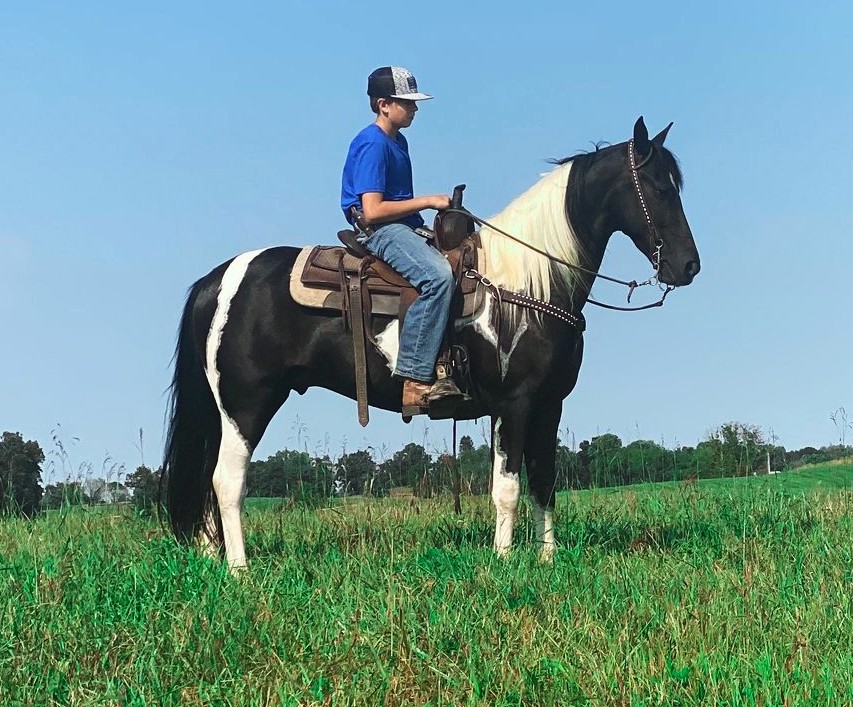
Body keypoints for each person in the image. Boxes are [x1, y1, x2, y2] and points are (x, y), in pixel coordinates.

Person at [341, 66, 462, 416]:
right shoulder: (372, 143)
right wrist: (426, 201)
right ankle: (413, 378)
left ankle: (448, 365)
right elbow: (373, 210)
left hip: (406, 226)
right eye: (406, 103)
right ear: (383, 104)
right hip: (380, 230)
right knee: (437, 277)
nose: (414, 109)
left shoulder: (398, 141)